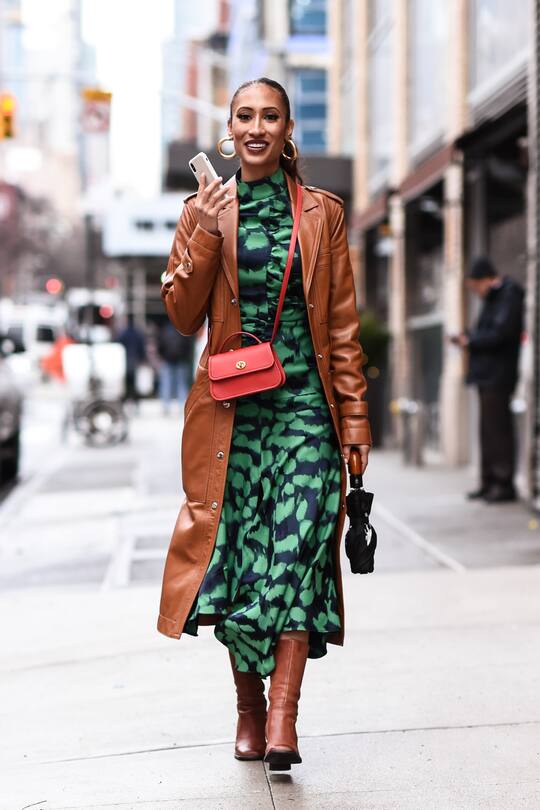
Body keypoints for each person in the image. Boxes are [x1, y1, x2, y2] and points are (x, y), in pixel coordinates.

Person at [158, 77, 371, 770]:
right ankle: (249, 712)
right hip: (232, 418)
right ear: (229, 129)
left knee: (299, 550)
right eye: (244, 116)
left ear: (286, 129)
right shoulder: (202, 208)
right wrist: (206, 233)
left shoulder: (322, 213)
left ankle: (283, 716)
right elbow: (183, 315)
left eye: (269, 116)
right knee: (243, 567)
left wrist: (355, 419)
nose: (256, 127)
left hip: (307, 411)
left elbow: (341, 326)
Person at [450, 256, 524, 503]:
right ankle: (489, 481)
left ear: (486, 280)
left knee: (497, 431)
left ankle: (503, 484)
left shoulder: (509, 295)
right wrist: (469, 337)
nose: (476, 292)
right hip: (487, 374)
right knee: (487, 431)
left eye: (476, 286)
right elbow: (489, 330)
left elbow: (501, 334)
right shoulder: (495, 298)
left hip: (498, 375)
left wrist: (470, 341)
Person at [156, 321, 194, 414]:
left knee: (166, 384)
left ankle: (165, 406)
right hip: (181, 360)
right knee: (181, 384)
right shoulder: (183, 330)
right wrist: (186, 357)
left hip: (167, 360)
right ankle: (182, 406)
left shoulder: (164, 330)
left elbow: (160, 345)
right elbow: (188, 346)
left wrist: (162, 356)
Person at [116, 314, 147, 405]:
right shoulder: (138, 333)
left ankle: (126, 400)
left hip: (125, 361)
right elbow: (142, 347)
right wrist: (142, 358)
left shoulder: (123, 333)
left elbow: (118, 345)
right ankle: (135, 401)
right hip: (135, 360)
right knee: (134, 383)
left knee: (126, 383)